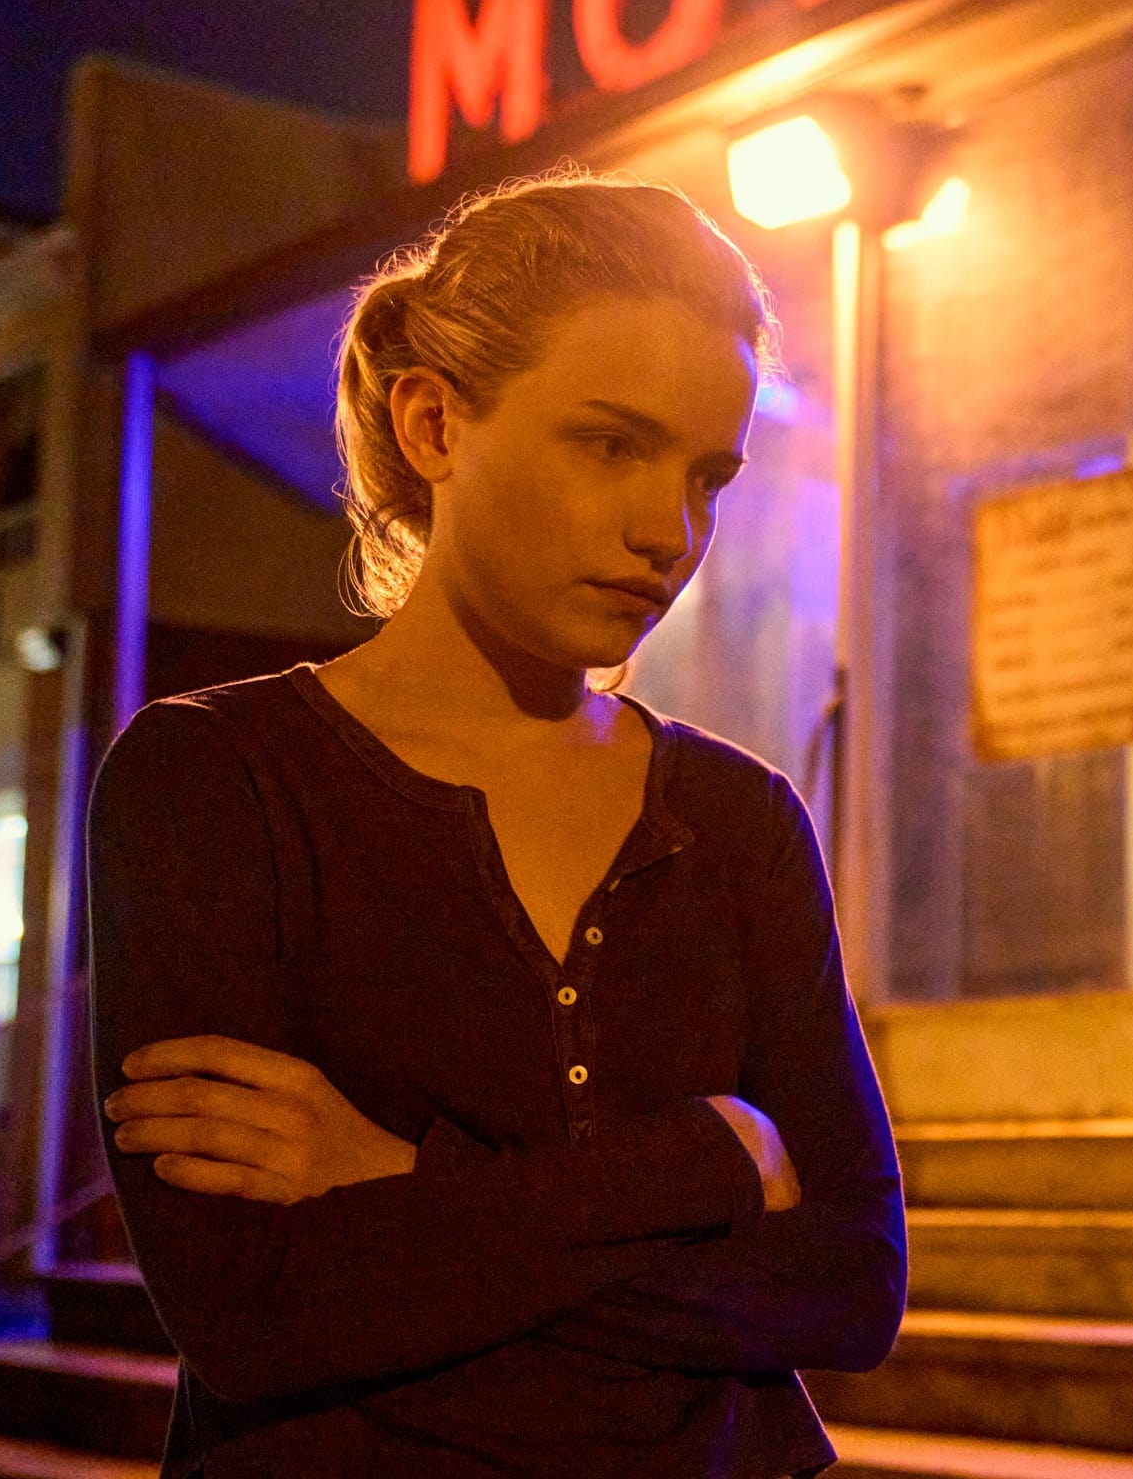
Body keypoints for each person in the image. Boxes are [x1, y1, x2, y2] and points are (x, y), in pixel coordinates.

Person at [85, 168, 904, 1479]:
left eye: (707, 475)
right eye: (611, 444)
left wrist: (400, 1182)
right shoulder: (214, 777)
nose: (668, 528)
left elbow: (850, 1286)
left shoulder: (738, 817)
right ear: (432, 423)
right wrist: (705, 1159)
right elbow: (250, 1310)